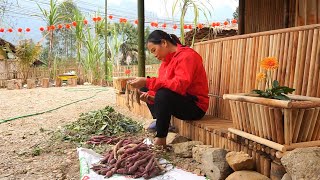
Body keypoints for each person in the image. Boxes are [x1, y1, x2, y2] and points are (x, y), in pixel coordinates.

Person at [129, 30, 209, 146]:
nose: (155, 55)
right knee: (146, 89)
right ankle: (161, 122)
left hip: (195, 107)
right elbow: (164, 85)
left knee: (160, 92)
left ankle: (161, 138)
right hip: (180, 100)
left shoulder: (187, 56)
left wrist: (148, 82)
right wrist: (151, 98)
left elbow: (179, 86)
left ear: (164, 43)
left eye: (154, 50)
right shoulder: (166, 62)